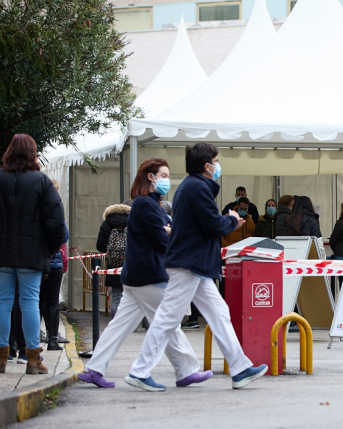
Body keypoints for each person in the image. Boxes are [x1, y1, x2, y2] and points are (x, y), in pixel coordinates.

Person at [126, 143, 267, 392]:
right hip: (191, 263)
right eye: (216, 160)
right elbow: (211, 224)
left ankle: (240, 368)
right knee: (169, 317)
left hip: (193, 263)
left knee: (218, 314)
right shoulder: (198, 188)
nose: (218, 165)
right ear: (207, 165)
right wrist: (231, 219)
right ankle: (139, 370)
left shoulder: (191, 188)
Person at [79, 158, 211, 389]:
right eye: (164, 175)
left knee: (121, 326)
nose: (167, 180)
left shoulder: (147, 204)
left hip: (138, 275)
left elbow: (162, 234)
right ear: (151, 177)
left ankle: (95, 369)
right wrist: (174, 232)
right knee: (167, 324)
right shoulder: (147, 205)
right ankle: (175, 370)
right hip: (149, 275)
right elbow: (161, 240)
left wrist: (169, 230)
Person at [0, 134, 66, 374]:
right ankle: (33, 360)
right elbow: (57, 223)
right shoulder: (42, 182)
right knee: (29, 301)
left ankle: (1, 357)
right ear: (32, 153)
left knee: (3, 301)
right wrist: (48, 250)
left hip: (2, 254)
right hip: (32, 254)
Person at [39, 179, 69, 350]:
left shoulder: (34, 206)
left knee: (36, 300)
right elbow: (64, 235)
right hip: (55, 260)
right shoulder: (56, 207)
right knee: (52, 301)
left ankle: (34, 337)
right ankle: (52, 340)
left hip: (38, 260)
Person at [97, 199, 131, 317]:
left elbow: (100, 246)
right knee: (138, 297)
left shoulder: (106, 223)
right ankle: (143, 326)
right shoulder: (133, 221)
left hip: (114, 265)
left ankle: (116, 323)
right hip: (132, 264)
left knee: (117, 296)